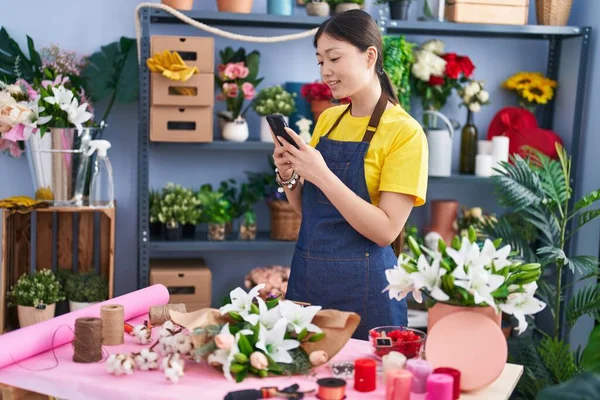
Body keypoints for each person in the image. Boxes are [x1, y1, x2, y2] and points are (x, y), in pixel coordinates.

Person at [271, 9, 429, 340]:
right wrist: (289, 175)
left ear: (369, 56)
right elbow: (311, 211)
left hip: (368, 292)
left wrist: (322, 174)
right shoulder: (329, 120)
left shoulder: (405, 132)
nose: (325, 71)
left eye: (334, 58)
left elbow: (386, 230)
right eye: (320, 61)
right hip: (309, 280)